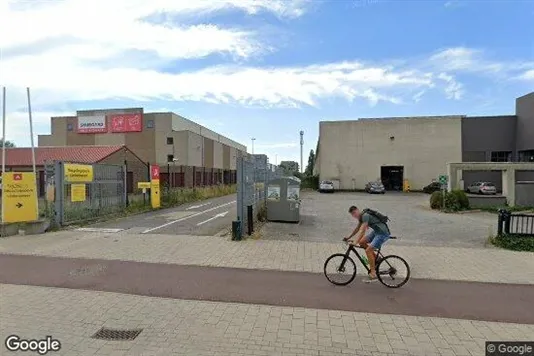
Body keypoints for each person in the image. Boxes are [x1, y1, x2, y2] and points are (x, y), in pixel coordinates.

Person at [344, 206, 391, 283]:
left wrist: (355, 242)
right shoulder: (361, 217)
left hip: (382, 234)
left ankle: (373, 273)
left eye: (354, 213)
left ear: (357, 210)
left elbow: (362, 230)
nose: (354, 215)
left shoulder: (365, 216)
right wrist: (348, 237)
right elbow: (357, 229)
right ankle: (376, 258)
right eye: (352, 214)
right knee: (362, 242)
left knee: (368, 250)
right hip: (376, 232)